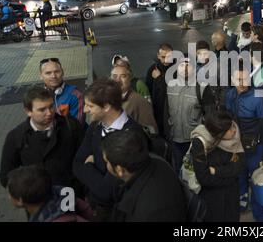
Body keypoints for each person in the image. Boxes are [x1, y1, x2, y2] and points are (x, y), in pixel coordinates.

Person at [73, 79, 144, 221]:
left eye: (90, 106)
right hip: (96, 209)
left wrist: (88, 166)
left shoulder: (132, 136)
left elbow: (106, 193)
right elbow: (76, 164)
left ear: (106, 107)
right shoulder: (95, 127)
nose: (85, 110)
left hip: (119, 214)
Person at [0, 87, 84, 189]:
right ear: (28, 111)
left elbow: (85, 159)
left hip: (71, 194)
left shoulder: (71, 126)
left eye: (51, 106)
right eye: (42, 110)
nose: (49, 113)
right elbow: (6, 176)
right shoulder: (16, 136)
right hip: (38, 198)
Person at [101, 129, 187, 222]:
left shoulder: (149, 212)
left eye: (106, 162)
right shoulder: (158, 162)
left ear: (120, 170)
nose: (106, 165)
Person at [225, 67, 263, 222]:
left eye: (245, 79)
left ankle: (261, 216)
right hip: (236, 147)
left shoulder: (259, 99)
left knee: (257, 182)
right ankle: (242, 199)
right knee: (239, 175)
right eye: (238, 79)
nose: (242, 83)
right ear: (232, 80)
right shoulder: (229, 95)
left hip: (256, 149)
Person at [190, 111, 245, 222]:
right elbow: (204, 178)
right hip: (213, 199)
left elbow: (240, 165)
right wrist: (230, 176)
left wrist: (216, 171)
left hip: (231, 195)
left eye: (233, 126)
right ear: (219, 133)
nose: (234, 130)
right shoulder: (200, 144)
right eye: (229, 129)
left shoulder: (234, 137)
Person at [165, 58, 215, 173]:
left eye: (188, 65)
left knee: (196, 171)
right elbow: (166, 112)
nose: (185, 68)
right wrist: (168, 133)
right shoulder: (170, 86)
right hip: (176, 139)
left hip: (195, 141)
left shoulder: (202, 87)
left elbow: (210, 114)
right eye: (182, 65)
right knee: (179, 169)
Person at [7, 166, 93, 222]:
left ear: (20, 201)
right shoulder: (64, 197)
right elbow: (88, 211)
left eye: (10, 193)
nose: (9, 197)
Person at [110, 65, 157, 132]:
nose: (118, 80)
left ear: (130, 79)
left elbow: (152, 131)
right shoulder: (107, 100)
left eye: (123, 76)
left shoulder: (140, 102)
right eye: (114, 76)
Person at [39, 58, 85, 125]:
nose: (53, 76)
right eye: (48, 73)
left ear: (62, 72)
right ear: (41, 76)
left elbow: (78, 125)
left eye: (57, 72)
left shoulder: (75, 95)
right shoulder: (37, 96)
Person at [145, 44, 174, 136]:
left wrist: (158, 78)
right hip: (158, 109)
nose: (166, 60)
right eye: (163, 57)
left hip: (173, 108)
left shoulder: (177, 69)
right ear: (158, 55)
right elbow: (148, 89)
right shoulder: (152, 69)